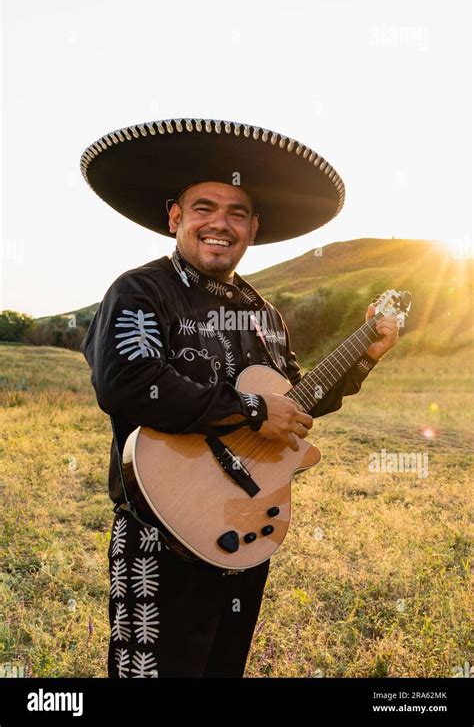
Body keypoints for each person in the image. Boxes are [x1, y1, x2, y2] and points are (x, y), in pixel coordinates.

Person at [79, 118, 399, 678]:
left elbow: (299, 401)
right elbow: (126, 383)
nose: (219, 224)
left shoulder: (263, 313)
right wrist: (252, 410)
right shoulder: (141, 290)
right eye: (204, 208)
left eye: (237, 213)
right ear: (176, 217)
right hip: (161, 533)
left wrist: (365, 349)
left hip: (245, 527)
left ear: (253, 228)